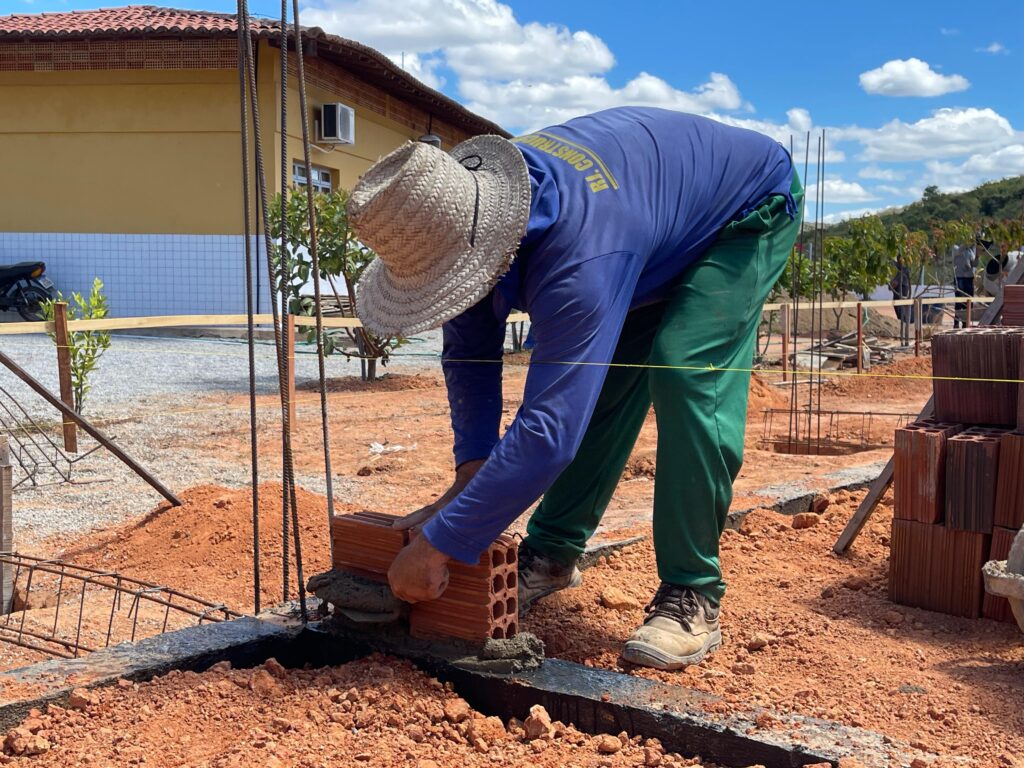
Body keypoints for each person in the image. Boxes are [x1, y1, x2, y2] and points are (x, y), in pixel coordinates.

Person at [349, 107, 802, 669]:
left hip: (744, 207)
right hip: (648, 220)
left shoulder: (580, 257)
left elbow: (549, 432)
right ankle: (552, 555)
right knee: (599, 388)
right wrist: (470, 474)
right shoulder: (456, 222)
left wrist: (440, 543)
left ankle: (694, 593)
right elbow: (469, 355)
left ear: (488, 246)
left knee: (684, 366)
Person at [951, 242, 976, 328]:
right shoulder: (955, 247)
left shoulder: (971, 250)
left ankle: (966, 323)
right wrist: (967, 242)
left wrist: (978, 256)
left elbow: (974, 264)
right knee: (959, 301)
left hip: (969, 278)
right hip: (959, 277)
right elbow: (959, 251)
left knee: (968, 301)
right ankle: (956, 322)